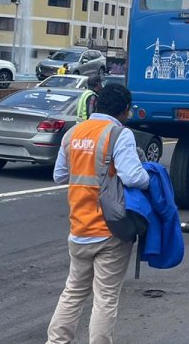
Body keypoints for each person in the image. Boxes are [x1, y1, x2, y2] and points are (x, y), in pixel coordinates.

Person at [47, 83, 150, 344]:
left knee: (73, 292)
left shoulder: (74, 132)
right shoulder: (118, 134)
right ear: (125, 110)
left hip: (78, 229)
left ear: (97, 104)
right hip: (109, 230)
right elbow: (133, 177)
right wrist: (152, 178)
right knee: (105, 298)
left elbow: (59, 175)